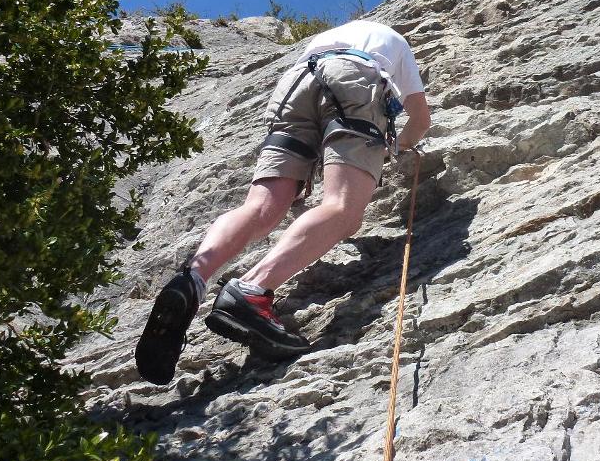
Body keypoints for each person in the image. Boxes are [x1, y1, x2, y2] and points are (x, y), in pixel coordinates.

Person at [135, 19, 430, 384]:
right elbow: (420, 117)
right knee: (343, 208)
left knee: (260, 208)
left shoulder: (329, 36)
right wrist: (393, 149)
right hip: (353, 77)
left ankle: (192, 279)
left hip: (295, 83)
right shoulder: (395, 42)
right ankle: (252, 291)